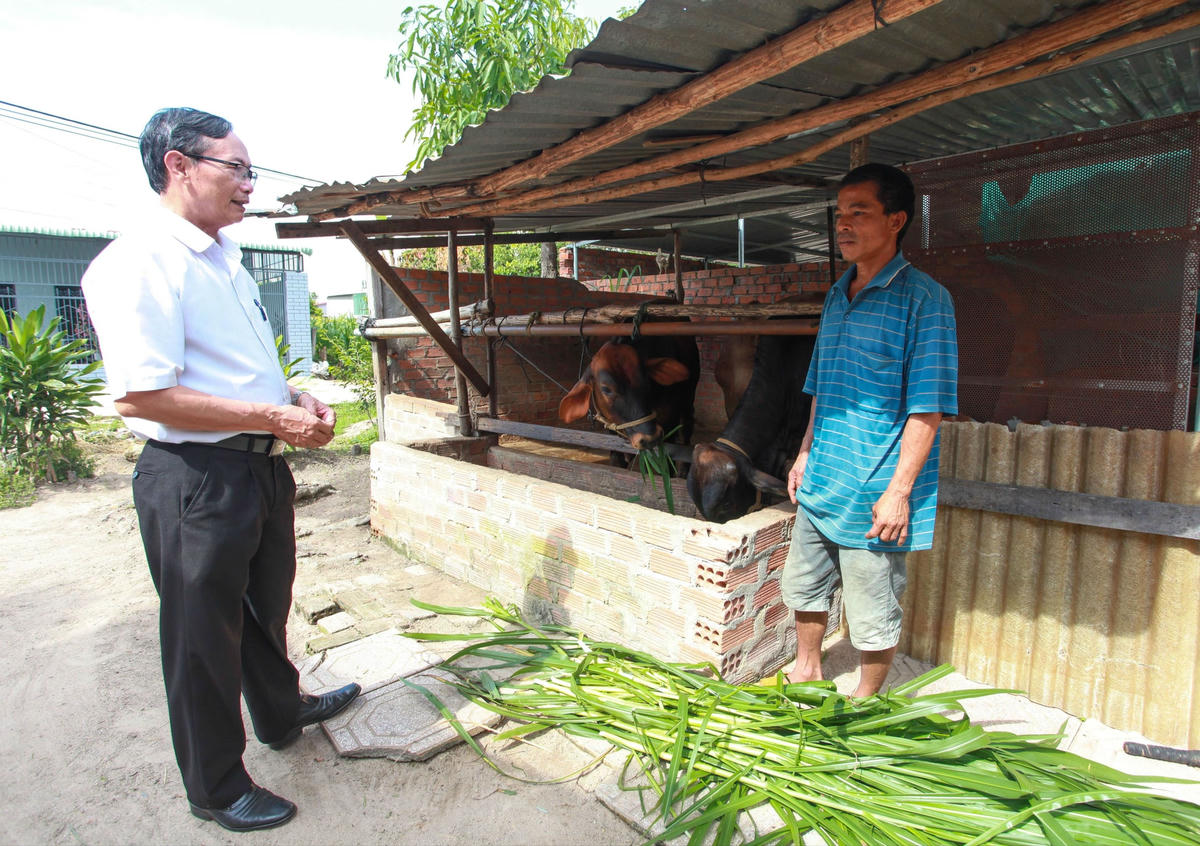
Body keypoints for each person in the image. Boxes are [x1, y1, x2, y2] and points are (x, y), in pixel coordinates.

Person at [81, 107, 361, 832]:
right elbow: (143, 393)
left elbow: (235, 373)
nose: (248, 185)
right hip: (194, 476)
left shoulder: (224, 259)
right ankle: (215, 786)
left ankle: (280, 711)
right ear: (180, 165)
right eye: (235, 168)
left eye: (248, 171)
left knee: (265, 606)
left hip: (257, 469)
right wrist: (270, 418)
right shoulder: (137, 262)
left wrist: (288, 397)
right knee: (202, 636)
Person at [784, 162, 958, 697]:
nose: (844, 226)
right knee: (805, 585)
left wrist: (899, 493)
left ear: (897, 219)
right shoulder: (838, 295)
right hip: (824, 476)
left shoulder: (925, 301)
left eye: (859, 213)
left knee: (873, 604)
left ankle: (866, 700)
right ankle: (807, 667)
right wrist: (804, 452)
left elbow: (927, 408)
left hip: (876, 488)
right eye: (840, 216)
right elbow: (821, 386)